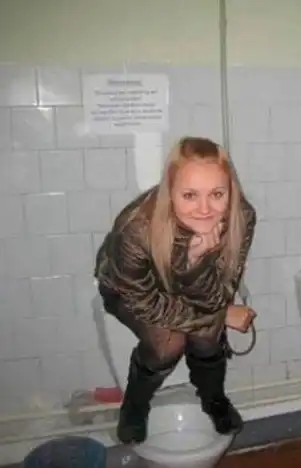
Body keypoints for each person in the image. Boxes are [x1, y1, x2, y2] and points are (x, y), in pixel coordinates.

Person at [94, 137, 257, 444]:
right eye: (190, 195)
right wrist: (220, 315)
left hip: (192, 290)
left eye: (217, 194)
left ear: (230, 191)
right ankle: (135, 405)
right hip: (131, 291)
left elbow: (218, 294)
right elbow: (145, 301)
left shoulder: (240, 218)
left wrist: (197, 262)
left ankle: (213, 399)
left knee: (207, 335)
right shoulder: (136, 228)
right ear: (170, 192)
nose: (205, 209)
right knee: (168, 343)